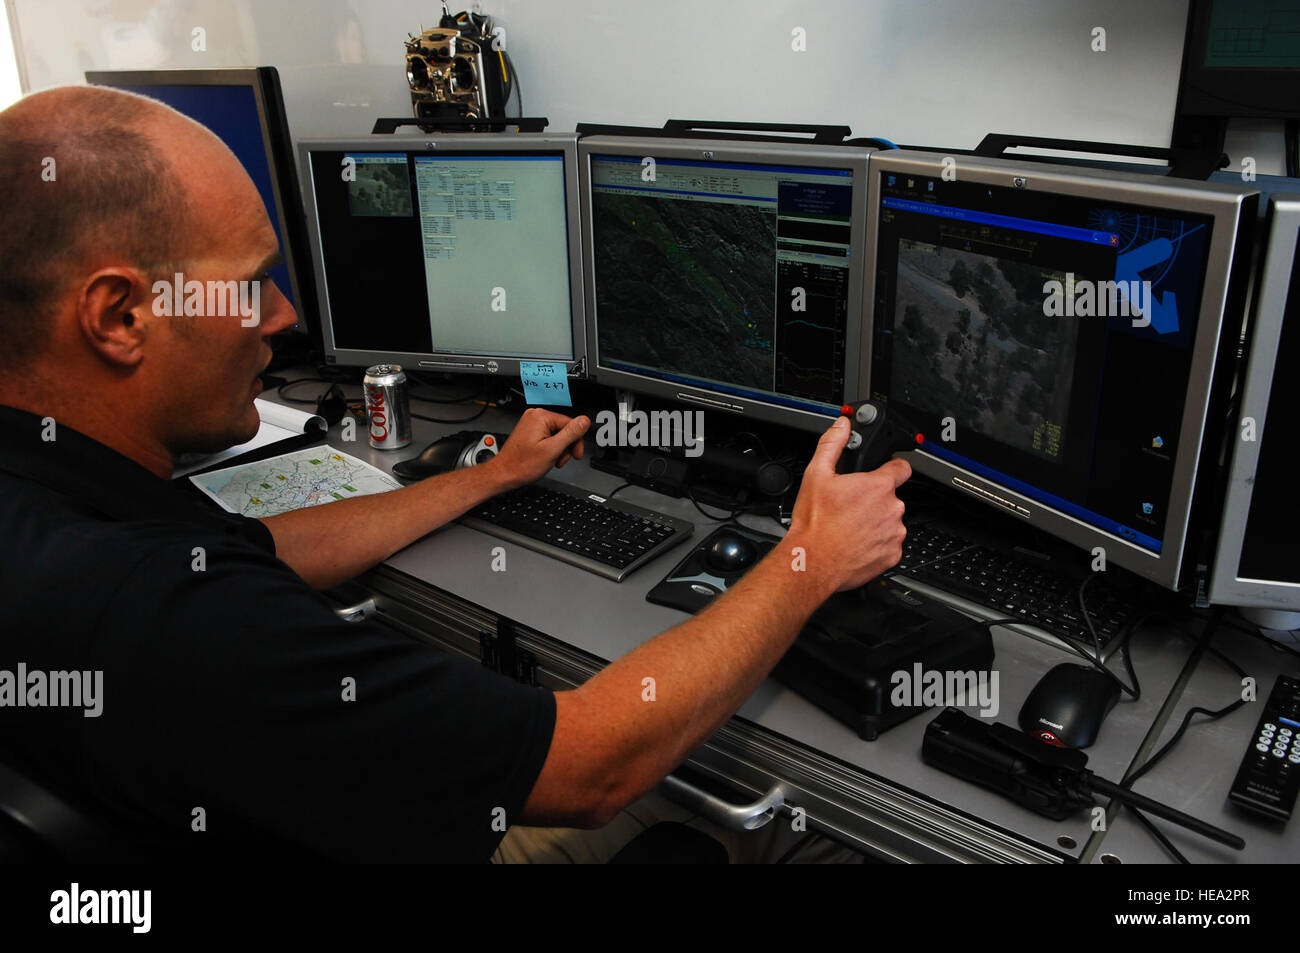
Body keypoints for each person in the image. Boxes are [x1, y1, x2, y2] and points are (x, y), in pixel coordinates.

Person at [0, 86, 910, 862]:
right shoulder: (173, 620)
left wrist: (484, 478)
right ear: (119, 316)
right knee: (691, 814)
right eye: (251, 283)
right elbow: (591, 767)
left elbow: (255, 547)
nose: (284, 317)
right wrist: (808, 559)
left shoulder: (61, 505)